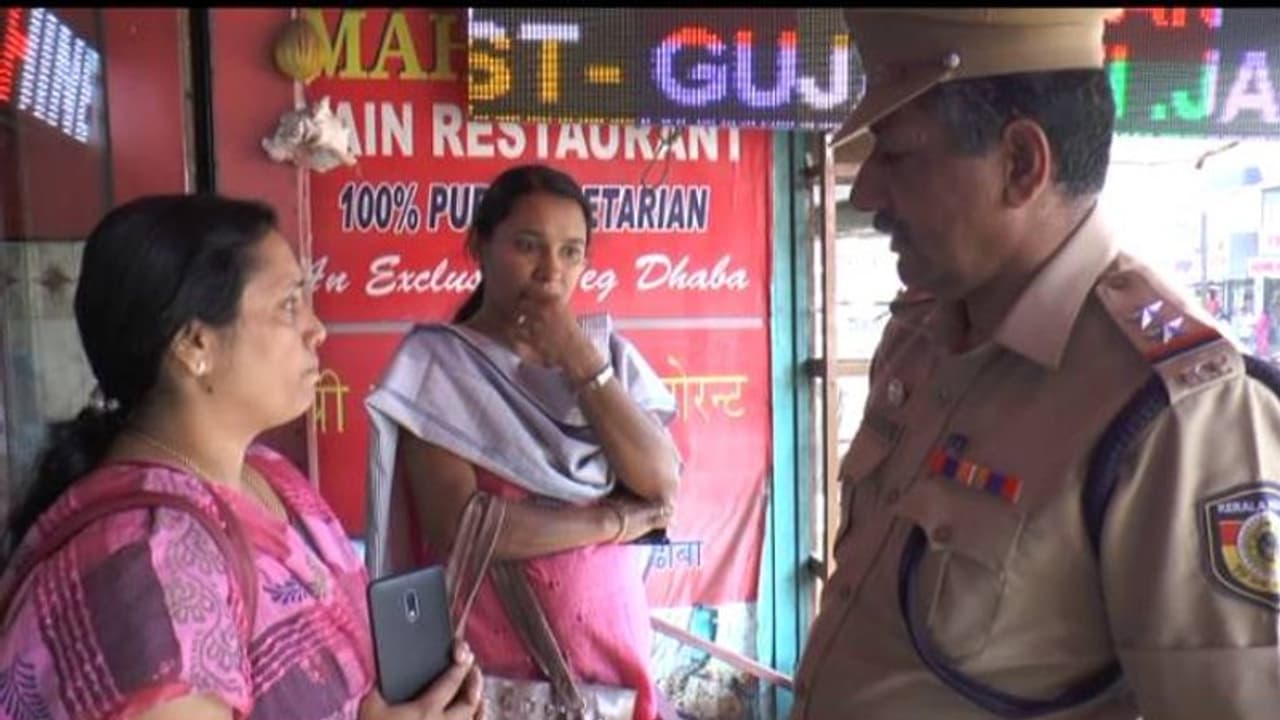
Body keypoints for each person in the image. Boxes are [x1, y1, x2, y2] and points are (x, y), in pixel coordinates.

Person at [793, 8, 1280, 719]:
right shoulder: (920, 333)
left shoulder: (1173, 413)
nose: (865, 192)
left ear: (1021, 164)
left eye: (896, 155)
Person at [0, 195, 483, 720]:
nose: (316, 330)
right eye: (289, 305)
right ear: (194, 344)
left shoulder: (271, 478)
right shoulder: (149, 571)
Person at [364, 164, 682, 720]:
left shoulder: (612, 360)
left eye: (571, 252)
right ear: (480, 247)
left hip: (614, 670)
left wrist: (581, 360)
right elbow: (463, 526)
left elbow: (660, 481)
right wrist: (609, 523)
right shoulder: (438, 366)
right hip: (498, 678)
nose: (549, 273)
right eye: (528, 246)